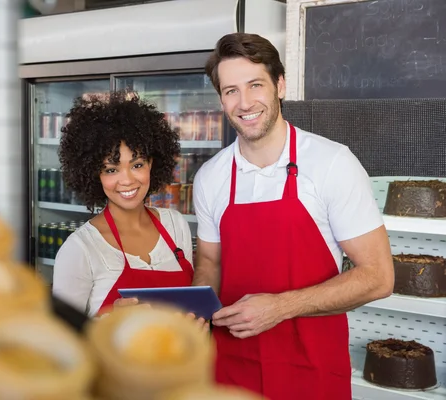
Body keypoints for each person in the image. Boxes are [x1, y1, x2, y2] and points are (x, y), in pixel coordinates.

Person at [192, 33, 395, 399]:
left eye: (255, 85)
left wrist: (281, 307)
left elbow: (378, 277)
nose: (244, 102)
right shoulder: (210, 177)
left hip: (311, 370)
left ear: (280, 85)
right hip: (231, 369)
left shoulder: (333, 164)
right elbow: (209, 262)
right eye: (231, 90)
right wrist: (193, 310)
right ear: (221, 99)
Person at [52, 91, 194, 318]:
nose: (127, 180)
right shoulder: (79, 249)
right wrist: (107, 321)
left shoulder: (175, 225)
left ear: (152, 164)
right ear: (93, 174)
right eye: (111, 169)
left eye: (137, 165)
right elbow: (62, 341)